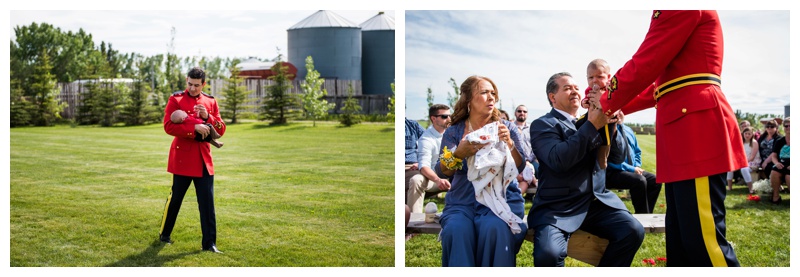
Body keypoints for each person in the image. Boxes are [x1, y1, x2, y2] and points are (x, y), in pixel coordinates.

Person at [588, 10, 744, 266]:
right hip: (685, 132)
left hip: (695, 133)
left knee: (704, 245)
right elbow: (659, 87)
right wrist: (611, 103)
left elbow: (647, 60)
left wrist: (606, 101)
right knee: (681, 241)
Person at [528, 72, 643, 267]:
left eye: (575, 87)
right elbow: (558, 160)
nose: (574, 91)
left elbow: (617, 157)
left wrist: (611, 124)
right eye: (566, 88)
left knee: (633, 231)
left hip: (595, 203)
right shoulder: (542, 124)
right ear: (552, 97)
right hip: (558, 207)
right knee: (548, 254)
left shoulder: (590, 118)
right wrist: (592, 125)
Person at [434, 75, 528, 266]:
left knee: (494, 228)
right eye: (484, 92)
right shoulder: (454, 131)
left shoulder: (506, 127)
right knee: (456, 230)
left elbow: (520, 165)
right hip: (463, 200)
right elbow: (442, 171)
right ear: (468, 100)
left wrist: (509, 144)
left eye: (493, 93)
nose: (491, 97)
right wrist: (459, 154)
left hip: (501, 198)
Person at [159, 67, 226, 253]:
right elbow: (168, 126)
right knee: (176, 199)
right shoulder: (176, 99)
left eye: (197, 85)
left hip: (204, 159)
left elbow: (220, 129)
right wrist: (194, 128)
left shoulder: (210, 102)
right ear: (186, 81)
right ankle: (165, 234)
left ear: (203, 84)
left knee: (207, 203)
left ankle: (209, 244)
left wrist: (207, 117)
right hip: (182, 158)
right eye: (189, 84)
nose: (193, 88)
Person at [606, 112, 661, 214]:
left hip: (632, 169)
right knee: (639, 181)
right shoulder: (607, 130)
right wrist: (632, 169)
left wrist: (636, 166)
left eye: (621, 111)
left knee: (655, 180)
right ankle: (642, 215)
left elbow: (637, 151)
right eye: (616, 112)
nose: (619, 114)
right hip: (612, 171)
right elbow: (608, 159)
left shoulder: (628, 130)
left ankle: (646, 214)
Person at [407, 104, 452, 213]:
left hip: (457, 175)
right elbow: (424, 167)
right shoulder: (426, 139)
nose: (449, 119)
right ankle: (413, 223)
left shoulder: (453, 133)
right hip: (437, 178)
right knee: (416, 180)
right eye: (444, 117)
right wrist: (438, 180)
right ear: (433, 118)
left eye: (450, 116)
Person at [575, 59, 617, 169]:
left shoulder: (610, 89)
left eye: (599, 77)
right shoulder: (588, 90)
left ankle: (603, 159)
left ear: (608, 77)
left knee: (606, 138)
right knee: (578, 123)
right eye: (591, 77)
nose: (594, 80)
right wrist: (584, 103)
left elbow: (616, 103)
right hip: (592, 116)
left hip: (607, 118)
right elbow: (585, 100)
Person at [513, 105, 537, 193]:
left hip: (531, 161)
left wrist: (528, 160)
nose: (522, 113)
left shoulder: (532, 129)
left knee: (543, 171)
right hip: (515, 162)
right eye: (519, 111)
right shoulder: (510, 128)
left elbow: (535, 146)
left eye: (524, 111)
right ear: (515, 113)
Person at [727, 126, 759, 193]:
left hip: (753, 162)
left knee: (744, 169)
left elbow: (752, 157)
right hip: (742, 162)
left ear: (752, 134)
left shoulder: (754, 142)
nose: (747, 135)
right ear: (743, 134)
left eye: (749, 134)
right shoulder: (741, 142)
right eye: (746, 133)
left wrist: (742, 162)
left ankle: (751, 188)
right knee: (730, 168)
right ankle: (729, 187)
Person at [768, 117, 790, 204]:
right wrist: (776, 163)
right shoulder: (779, 141)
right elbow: (773, 156)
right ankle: (776, 196)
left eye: (791, 126)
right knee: (774, 172)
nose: (788, 127)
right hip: (782, 163)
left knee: (789, 177)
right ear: (783, 128)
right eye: (786, 126)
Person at [405, 117, 426, 204]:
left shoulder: (412, 125)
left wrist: (421, 162)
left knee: (416, 180)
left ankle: (414, 217)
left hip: (411, 167)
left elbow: (429, 140)